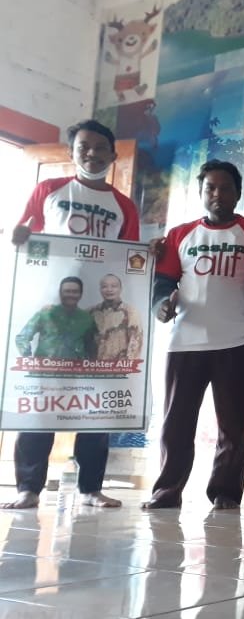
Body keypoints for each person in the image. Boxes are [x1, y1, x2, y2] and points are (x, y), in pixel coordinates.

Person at [2, 119, 138, 511]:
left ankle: (90, 488)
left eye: (100, 148)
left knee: (96, 402)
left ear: (113, 155)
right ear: (71, 151)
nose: (92, 154)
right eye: (84, 147)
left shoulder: (123, 205)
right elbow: (23, 237)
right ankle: (29, 487)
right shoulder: (49, 190)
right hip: (52, 314)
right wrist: (17, 236)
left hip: (97, 318)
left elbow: (129, 261)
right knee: (41, 400)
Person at [142, 160, 244, 511]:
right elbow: (163, 282)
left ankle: (225, 492)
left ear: (238, 193)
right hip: (186, 341)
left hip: (240, 340)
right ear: (201, 192)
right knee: (176, 422)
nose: (217, 194)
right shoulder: (179, 234)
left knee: (234, 426)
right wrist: (160, 306)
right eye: (210, 188)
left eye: (225, 188)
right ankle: (167, 490)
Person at [15, 277, 97, 360]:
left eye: (75, 292)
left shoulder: (87, 319)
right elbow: (22, 337)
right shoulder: (45, 314)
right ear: (60, 293)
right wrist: (28, 358)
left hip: (75, 366)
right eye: (67, 291)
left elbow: (91, 346)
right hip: (44, 366)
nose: (71, 295)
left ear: (81, 294)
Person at [89, 274, 143, 361]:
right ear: (100, 290)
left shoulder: (131, 312)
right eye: (104, 286)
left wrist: (127, 366)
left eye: (114, 286)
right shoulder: (91, 312)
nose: (109, 290)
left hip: (119, 365)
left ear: (120, 289)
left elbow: (135, 343)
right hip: (93, 365)